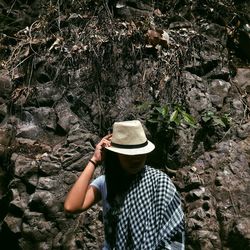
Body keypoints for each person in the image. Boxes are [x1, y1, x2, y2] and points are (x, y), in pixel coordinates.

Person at [64, 120, 184, 249]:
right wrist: (94, 161)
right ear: (116, 155)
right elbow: (72, 206)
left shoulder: (159, 183)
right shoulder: (106, 183)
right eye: (129, 155)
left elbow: (173, 233)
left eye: (140, 154)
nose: (136, 159)